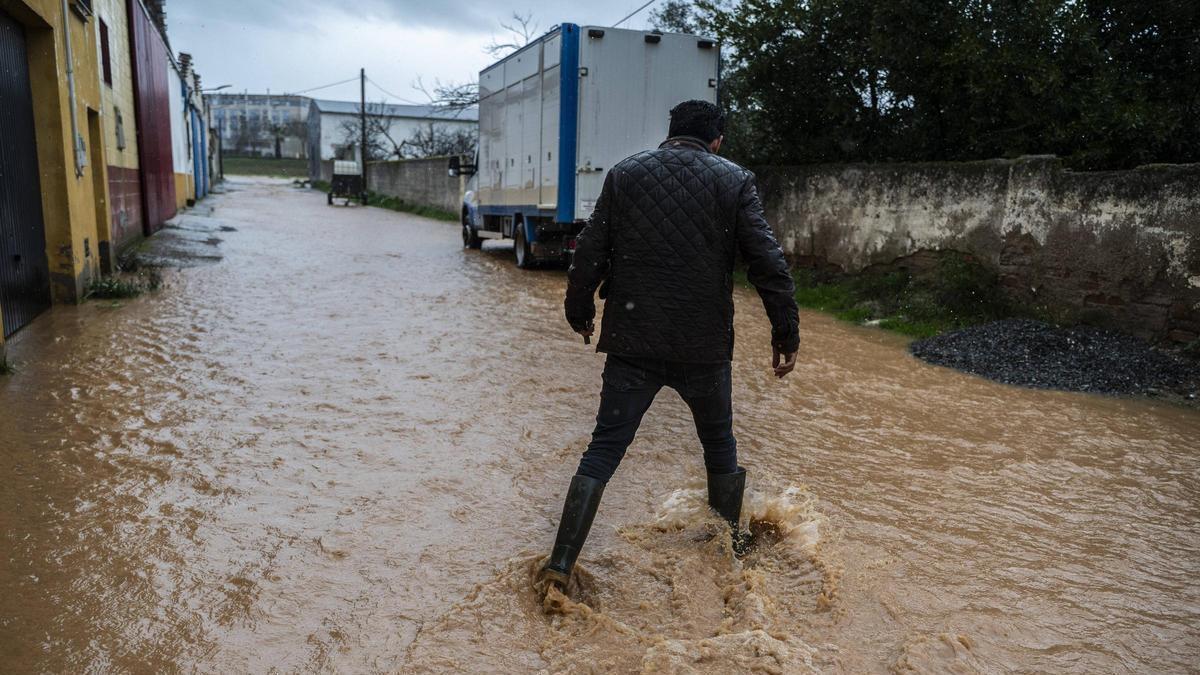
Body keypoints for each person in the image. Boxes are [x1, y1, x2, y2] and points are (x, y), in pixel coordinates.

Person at [538, 99, 800, 591]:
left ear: (671, 132)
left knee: (604, 449)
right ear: (717, 139)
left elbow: (590, 249)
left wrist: (580, 311)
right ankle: (728, 564)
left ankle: (559, 566)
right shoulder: (735, 180)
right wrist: (785, 332)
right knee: (719, 446)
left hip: (632, 341)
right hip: (702, 346)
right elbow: (767, 262)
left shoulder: (625, 173)